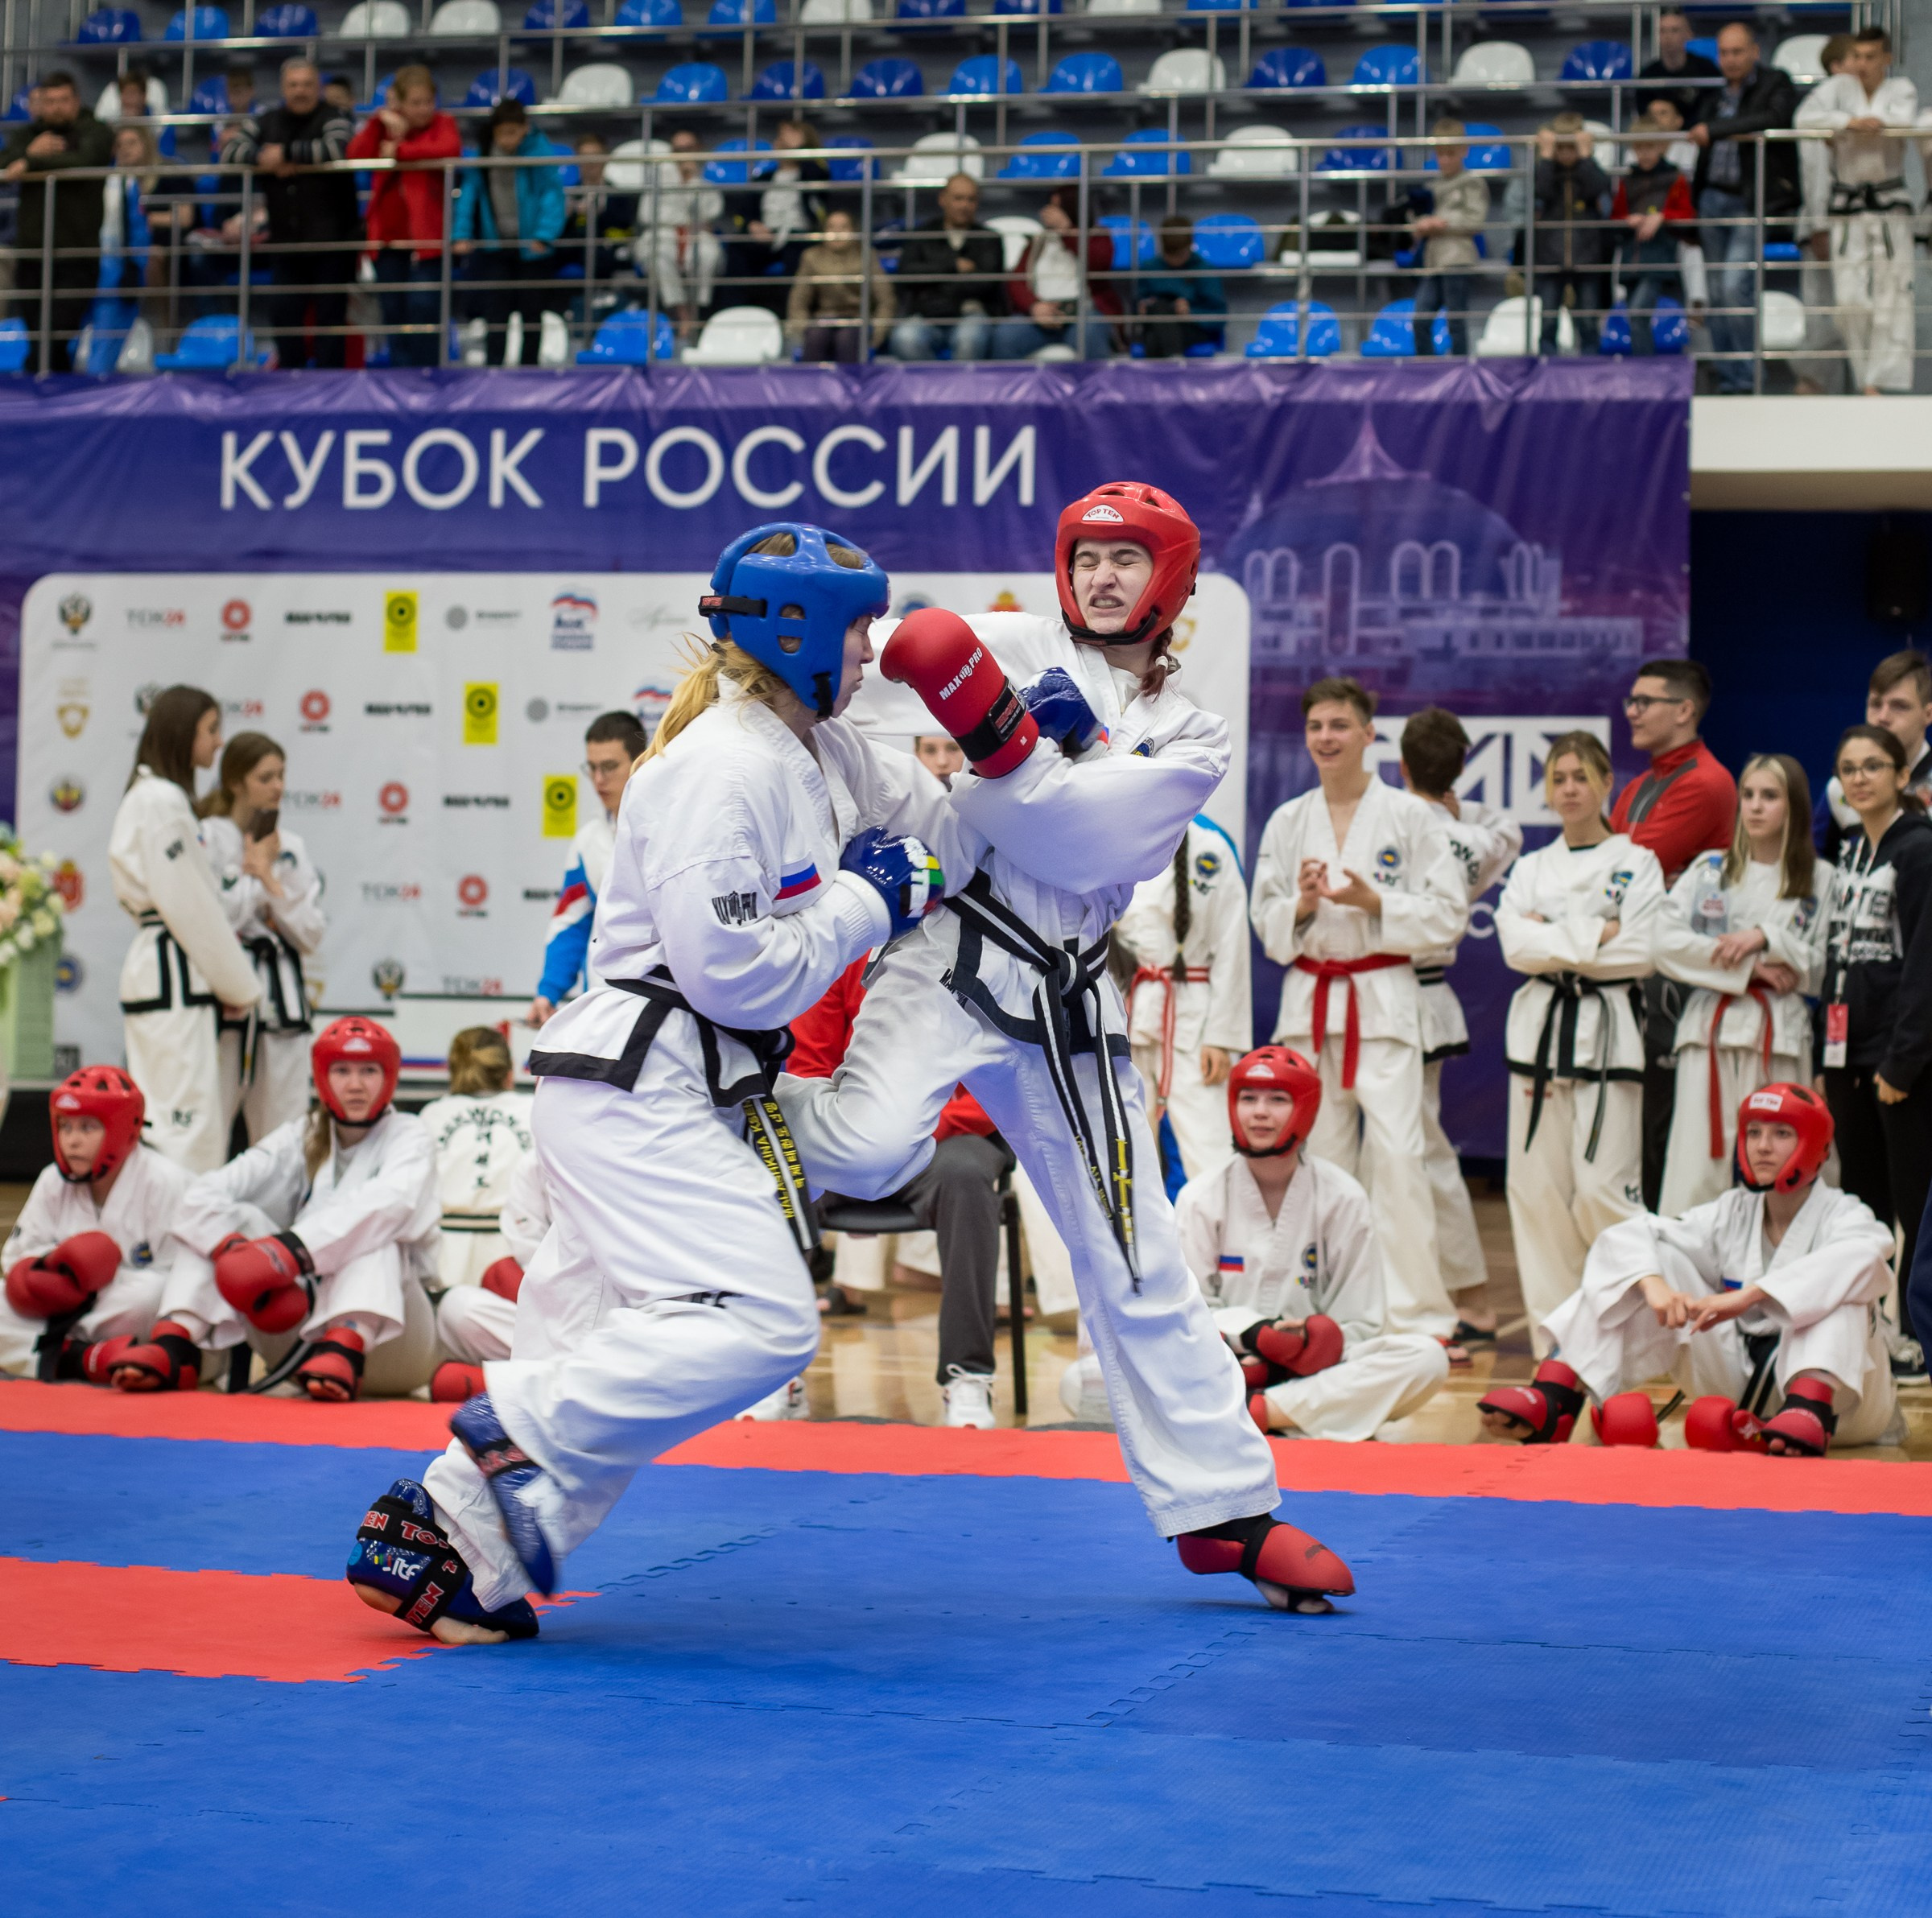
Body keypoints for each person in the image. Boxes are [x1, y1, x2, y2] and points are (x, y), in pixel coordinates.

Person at [347, 522, 976, 1645]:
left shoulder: (823, 751)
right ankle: (516, 1424)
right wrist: (869, 901)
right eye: (863, 629)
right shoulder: (715, 773)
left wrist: (1028, 783)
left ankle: (443, 1548)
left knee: (592, 1337)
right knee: (764, 1320)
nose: (877, 650)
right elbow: (733, 972)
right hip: (643, 1081)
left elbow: (938, 830)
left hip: (676, 1085)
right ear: (805, 635)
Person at [779, 485, 1357, 1616]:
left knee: (1135, 1254)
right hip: (947, 956)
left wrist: (997, 743)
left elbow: (1079, 834)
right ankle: (733, 1100)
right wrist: (902, 650)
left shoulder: (1191, 731)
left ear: (1172, 583)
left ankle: (1226, 1509)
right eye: (1085, 556)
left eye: (1125, 562)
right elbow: (893, 643)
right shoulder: (1011, 639)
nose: (1100, 577)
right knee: (854, 1150)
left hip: (1064, 1000)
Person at [1483, 1083, 1898, 1454]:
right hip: (1745, 1388)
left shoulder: (1845, 1215)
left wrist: (1751, 1296)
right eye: (1754, 1132)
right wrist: (1654, 1286)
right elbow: (1633, 1234)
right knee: (1648, 1259)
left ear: (1815, 1146)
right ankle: (1554, 1399)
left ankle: (1809, 1409)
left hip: (1847, 1411)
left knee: (1847, 1286)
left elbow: (1871, 1252)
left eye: (1781, 1133)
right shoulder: (1731, 1211)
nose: (1762, 1146)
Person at [1249, 678, 1468, 1344]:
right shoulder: (1290, 820)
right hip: (1313, 1000)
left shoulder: (1410, 816)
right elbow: (1266, 921)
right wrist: (1307, 905)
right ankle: (1336, 1312)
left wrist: (1378, 904)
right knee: (1320, 1162)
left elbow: (1450, 914)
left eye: (1340, 725)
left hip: (1383, 1002)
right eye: (1317, 726)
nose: (1326, 737)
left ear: (1370, 734)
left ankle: (1419, 1316)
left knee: (1400, 1159)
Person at [116, 1017, 436, 1401]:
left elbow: (393, 1204)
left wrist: (287, 1252)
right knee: (232, 1219)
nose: (355, 1085)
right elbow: (201, 1195)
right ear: (321, 1076)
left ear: (389, 1078)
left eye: (369, 1071)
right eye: (342, 1071)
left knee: (377, 1233)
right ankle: (176, 1344)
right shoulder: (299, 1135)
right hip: (296, 1328)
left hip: (394, 1345)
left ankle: (347, 1342)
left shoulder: (411, 1135)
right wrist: (235, 1254)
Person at [1176, 1047, 1449, 1442]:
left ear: (1304, 1108)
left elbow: (1362, 1322)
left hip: (1315, 1371)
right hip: (1226, 1366)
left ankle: (1260, 1412)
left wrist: (1316, 1341)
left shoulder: (1343, 1197)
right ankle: (1301, 1417)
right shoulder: (1200, 1197)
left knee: (1427, 1359)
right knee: (1083, 1381)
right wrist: (1254, 1333)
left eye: (1278, 1100)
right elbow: (1188, 1312)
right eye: (1248, 1098)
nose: (1259, 1113)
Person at [791, 958, 1015, 1428]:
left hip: (943, 1147)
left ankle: (967, 1375)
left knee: (968, 1176)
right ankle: (777, 1371)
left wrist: (918, 1133)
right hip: (847, 1140)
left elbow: (1000, 1076)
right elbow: (807, 1069)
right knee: (778, 1172)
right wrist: (853, 1140)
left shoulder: (978, 959)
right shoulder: (841, 961)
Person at [1496, 731, 1664, 1342]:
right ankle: (1558, 1346)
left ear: (1604, 784)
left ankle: (1630, 1332)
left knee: (1602, 1192)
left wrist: (1557, 935)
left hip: (1607, 1036)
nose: (1570, 788)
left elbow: (1643, 950)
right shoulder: (1532, 866)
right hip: (1539, 1036)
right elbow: (1515, 946)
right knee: (1535, 1192)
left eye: (1581, 777)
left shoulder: (1635, 862)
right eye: (1559, 778)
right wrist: (1598, 931)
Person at [1396, 707, 1523, 1343]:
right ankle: (1444, 1293)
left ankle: (1469, 1300)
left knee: (1421, 1152)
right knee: (1414, 1151)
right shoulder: (1475, 836)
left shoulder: (1391, 824)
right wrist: (1452, 807)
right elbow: (1509, 831)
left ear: (1399, 765)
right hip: (1421, 997)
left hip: (1399, 992)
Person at [1655, 754, 1826, 1216]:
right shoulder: (1710, 869)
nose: (1755, 807)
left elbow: (1824, 967)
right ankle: (1688, 1280)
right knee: (1695, 1167)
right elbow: (1664, 943)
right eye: (1748, 795)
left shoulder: (1821, 878)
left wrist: (1769, 937)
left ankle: (1784, 1279)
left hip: (1780, 1035)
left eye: (1769, 796)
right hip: (1709, 1028)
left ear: (1794, 806)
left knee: (1784, 1164)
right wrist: (1747, 971)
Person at [1818, 722, 1932, 1377]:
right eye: (1849, 768)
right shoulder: (1853, 850)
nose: (1860, 778)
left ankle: (1918, 1333)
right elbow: (1840, 956)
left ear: (1899, 776)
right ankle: (1868, 1333)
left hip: (1898, 1060)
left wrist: (1904, 1058)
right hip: (1847, 1055)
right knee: (1859, 1202)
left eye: (1873, 766)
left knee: (1912, 1200)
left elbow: (1924, 963)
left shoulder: (1917, 849)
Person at [110, 687, 262, 1174]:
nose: (220, 743)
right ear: (183, 733)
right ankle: (179, 1244)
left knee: (173, 1116)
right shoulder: (161, 800)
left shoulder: (155, 796)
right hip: (173, 970)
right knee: (185, 1124)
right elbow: (191, 905)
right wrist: (238, 984)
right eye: (211, 729)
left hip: (168, 969)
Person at [1612, 656, 1738, 1206]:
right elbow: (1610, 868)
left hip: (1676, 983)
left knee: (1663, 1128)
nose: (1632, 711)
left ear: (1684, 710)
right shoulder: (1641, 782)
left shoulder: (1707, 782)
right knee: (1637, 1127)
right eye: (1631, 700)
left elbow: (1625, 866)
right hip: (1636, 973)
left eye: (1645, 701)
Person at [0, 1067, 189, 1382]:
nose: (72, 1141)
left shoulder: (165, 1181)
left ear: (121, 1129)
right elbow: (15, 1260)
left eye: (87, 1128)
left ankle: (45, 1354)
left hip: (123, 1306)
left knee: (151, 1296)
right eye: (65, 1126)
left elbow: (182, 1281)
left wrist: (99, 1280)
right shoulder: (52, 1180)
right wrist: (51, 1272)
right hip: (57, 1308)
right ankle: (85, 1358)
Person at [200, 731, 325, 1146]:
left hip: (281, 997)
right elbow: (215, 919)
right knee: (209, 1120)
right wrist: (253, 878)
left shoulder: (291, 846)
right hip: (223, 997)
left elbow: (309, 932)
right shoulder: (207, 836)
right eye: (265, 777)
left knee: (284, 1128)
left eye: (281, 775)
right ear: (236, 782)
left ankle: (279, 1210)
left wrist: (267, 875)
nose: (278, 787)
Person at [1116, 815, 1250, 1186]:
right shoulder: (1113, 838)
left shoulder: (1211, 846)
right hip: (1130, 1010)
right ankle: (1137, 1244)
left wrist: (1222, 1038)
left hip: (1196, 1018)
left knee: (1210, 1152)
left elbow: (1232, 945)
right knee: (1127, 1153)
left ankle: (1220, 1244)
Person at [1796, 27, 1918, 397]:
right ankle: (1862, 373)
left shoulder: (1901, 90)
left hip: (1888, 205)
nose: (1862, 64)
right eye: (1858, 56)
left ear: (1887, 59)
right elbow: (1803, 120)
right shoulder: (1837, 90)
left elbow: (1903, 121)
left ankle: (1878, 382)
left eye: (1870, 57)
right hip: (1847, 207)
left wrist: (1869, 122)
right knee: (1849, 298)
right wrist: (1847, 122)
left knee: (1893, 292)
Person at [417, 1027, 535, 1394]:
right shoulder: (534, 1109)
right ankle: (518, 1380)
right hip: (515, 1254)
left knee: (448, 1320)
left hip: (443, 1264)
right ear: (510, 1071)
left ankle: (483, 1379)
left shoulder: (431, 1116)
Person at [221, 59, 357, 369]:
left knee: (331, 321)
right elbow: (230, 152)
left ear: (318, 87)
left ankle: (330, 389)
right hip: (285, 242)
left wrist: (285, 154)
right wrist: (261, 158)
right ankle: (290, 387)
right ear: (283, 89)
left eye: (307, 84)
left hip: (330, 242)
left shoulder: (335, 116)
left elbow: (338, 148)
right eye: (294, 85)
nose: (300, 91)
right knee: (284, 317)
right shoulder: (266, 120)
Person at [1686, 21, 1798, 394]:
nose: (1730, 59)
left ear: (1754, 51)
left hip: (1749, 200)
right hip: (1711, 198)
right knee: (1716, 294)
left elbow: (1774, 119)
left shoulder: (1775, 82)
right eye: (1724, 53)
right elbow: (1695, 128)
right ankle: (1729, 380)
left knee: (1736, 288)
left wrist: (1717, 129)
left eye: (1737, 51)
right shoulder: (1715, 95)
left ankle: (1750, 380)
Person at [530, 710, 650, 1027]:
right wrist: (547, 994)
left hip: (661, 1008)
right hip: (601, 1009)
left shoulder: (671, 830)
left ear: (641, 762)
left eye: (609, 767)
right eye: (592, 768)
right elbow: (573, 922)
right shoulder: (587, 841)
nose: (598, 780)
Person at [349, 67, 461, 368]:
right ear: (399, 102)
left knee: (424, 310)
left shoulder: (443, 123)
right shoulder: (385, 126)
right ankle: (400, 383)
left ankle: (430, 379)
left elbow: (448, 149)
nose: (424, 109)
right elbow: (356, 155)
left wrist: (400, 150)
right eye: (415, 102)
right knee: (393, 313)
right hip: (387, 239)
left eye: (428, 101)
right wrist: (378, 120)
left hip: (428, 242)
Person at [2, 71, 114, 367]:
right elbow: (4, 164)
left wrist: (30, 161)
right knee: (38, 336)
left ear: (76, 101)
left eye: (63, 100)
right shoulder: (26, 136)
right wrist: (28, 152)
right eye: (50, 101)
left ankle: (42, 390)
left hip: (76, 253)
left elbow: (85, 159)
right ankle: (47, 397)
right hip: (33, 253)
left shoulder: (96, 131)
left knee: (58, 334)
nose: (56, 108)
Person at [452, 97, 565, 367]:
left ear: (525, 128)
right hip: (496, 247)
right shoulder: (483, 155)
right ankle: (494, 367)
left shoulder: (540, 153)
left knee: (532, 311)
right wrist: (461, 234)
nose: (507, 139)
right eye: (502, 133)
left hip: (533, 248)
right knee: (496, 313)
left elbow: (552, 196)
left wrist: (544, 235)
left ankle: (529, 369)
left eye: (513, 132)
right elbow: (469, 197)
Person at [1816, 650, 1932, 860]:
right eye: (1875, 704)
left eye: (1899, 706)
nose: (1883, 717)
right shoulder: (1841, 786)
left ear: (1928, 714)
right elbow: (1816, 865)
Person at [1793, 34, 1856, 394]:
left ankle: (1823, 393)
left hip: (1842, 223)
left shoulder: (1847, 104)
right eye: (1854, 59)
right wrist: (1820, 224)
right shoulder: (1820, 107)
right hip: (1825, 224)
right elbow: (1816, 171)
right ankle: (1809, 387)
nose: (1861, 67)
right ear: (1836, 66)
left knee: (1840, 312)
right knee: (1826, 314)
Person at [889, 170, 1005, 362]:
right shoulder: (922, 234)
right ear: (943, 199)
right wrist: (953, 266)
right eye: (958, 198)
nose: (964, 206)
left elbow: (987, 283)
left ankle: (961, 393)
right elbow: (907, 273)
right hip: (927, 313)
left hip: (971, 314)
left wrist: (936, 285)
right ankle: (934, 391)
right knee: (904, 339)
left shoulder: (989, 238)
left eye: (971, 199)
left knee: (970, 340)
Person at [993, 186, 1119, 361]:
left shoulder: (1097, 236)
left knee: (1090, 333)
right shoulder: (1039, 241)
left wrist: (1067, 231)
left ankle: (1095, 388)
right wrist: (1034, 306)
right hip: (1041, 315)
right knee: (1005, 336)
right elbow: (1017, 280)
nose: (1049, 212)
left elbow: (1099, 263)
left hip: (1083, 314)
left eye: (1058, 207)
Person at [1612, 115, 1697, 355]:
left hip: (1661, 258)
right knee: (1634, 316)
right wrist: (1628, 221)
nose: (1644, 153)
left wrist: (1662, 217)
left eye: (1649, 146)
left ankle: (1646, 371)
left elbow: (1687, 214)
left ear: (1661, 147)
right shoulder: (1627, 180)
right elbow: (1616, 216)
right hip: (1631, 259)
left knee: (1638, 314)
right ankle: (1647, 369)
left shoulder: (1675, 178)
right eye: (1639, 147)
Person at [1531, 114, 1612, 353]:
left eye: (1572, 148)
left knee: (1588, 320)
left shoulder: (1590, 171)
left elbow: (1598, 188)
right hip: (1550, 257)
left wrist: (1586, 157)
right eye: (1561, 149)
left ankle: (1590, 369)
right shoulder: (1546, 172)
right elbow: (1540, 191)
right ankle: (1546, 368)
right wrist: (1545, 157)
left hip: (1586, 257)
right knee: (1548, 320)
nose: (1566, 155)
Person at [1410, 119, 1488, 357]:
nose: (1444, 160)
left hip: (1458, 260)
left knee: (1456, 322)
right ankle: (1428, 371)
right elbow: (1414, 223)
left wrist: (1441, 224)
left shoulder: (1473, 182)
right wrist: (1419, 225)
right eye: (1440, 154)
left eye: (1450, 154)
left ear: (1463, 151)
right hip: (1432, 262)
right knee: (1420, 321)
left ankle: (1460, 373)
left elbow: (1476, 221)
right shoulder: (1430, 186)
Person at [642, 127, 724, 342]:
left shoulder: (707, 182)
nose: (683, 155)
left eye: (688, 148)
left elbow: (709, 214)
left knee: (707, 254)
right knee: (658, 255)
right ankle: (682, 315)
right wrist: (683, 219)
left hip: (695, 235)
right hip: (663, 234)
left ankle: (697, 310)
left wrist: (691, 182)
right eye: (677, 150)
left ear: (698, 150)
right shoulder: (658, 178)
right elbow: (647, 214)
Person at [739, 116, 828, 309]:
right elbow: (746, 211)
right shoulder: (763, 178)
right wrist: (752, 225)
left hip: (799, 235)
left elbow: (820, 180)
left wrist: (800, 150)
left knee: (797, 257)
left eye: (789, 141)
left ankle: (790, 316)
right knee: (737, 250)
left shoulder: (812, 174)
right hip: (766, 233)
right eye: (781, 139)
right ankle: (737, 313)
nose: (783, 143)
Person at [786, 207, 892, 362]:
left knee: (846, 340)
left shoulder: (867, 255)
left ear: (854, 230)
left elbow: (886, 300)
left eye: (843, 227)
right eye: (831, 227)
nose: (837, 233)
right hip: (824, 318)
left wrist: (878, 333)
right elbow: (798, 300)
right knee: (815, 337)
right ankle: (811, 384)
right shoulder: (811, 257)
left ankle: (850, 386)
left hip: (857, 320)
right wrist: (801, 329)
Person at [1133, 214, 1227, 358]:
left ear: (1190, 246)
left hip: (1191, 330)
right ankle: (1175, 358)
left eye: (1179, 254)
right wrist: (1142, 307)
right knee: (1159, 308)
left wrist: (1191, 313)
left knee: (1154, 340)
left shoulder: (1204, 270)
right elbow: (1137, 305)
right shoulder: (1149, 267)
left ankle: (1173, 358)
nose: (1174, 260)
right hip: (1156, 324)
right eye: (1169, 254)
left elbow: (1219, 317)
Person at [1637, 10, 1720, 122]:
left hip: (1700, 135)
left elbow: (1716, 109)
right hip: (1662, 136)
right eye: (1663, 31)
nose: (1668, 36)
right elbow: (1644, 117)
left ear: (1688, 34)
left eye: (1674, 30)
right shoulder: (1647, 75)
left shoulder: (1706, 69)